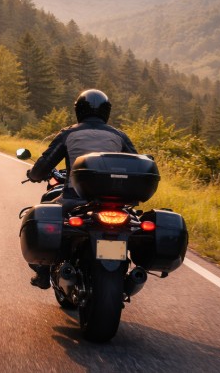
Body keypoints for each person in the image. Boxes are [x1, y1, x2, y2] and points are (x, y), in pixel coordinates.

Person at [25, 89, 137, 289]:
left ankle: (43, 272)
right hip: (115, 203)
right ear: (106, 111)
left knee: (46, 210)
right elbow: (136, 164)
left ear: (79, 110)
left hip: (74, 198)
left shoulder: (69, 134)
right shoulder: (119, 136)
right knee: (134, 225)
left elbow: (45, 163)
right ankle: (132, 274)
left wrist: (34, 175)